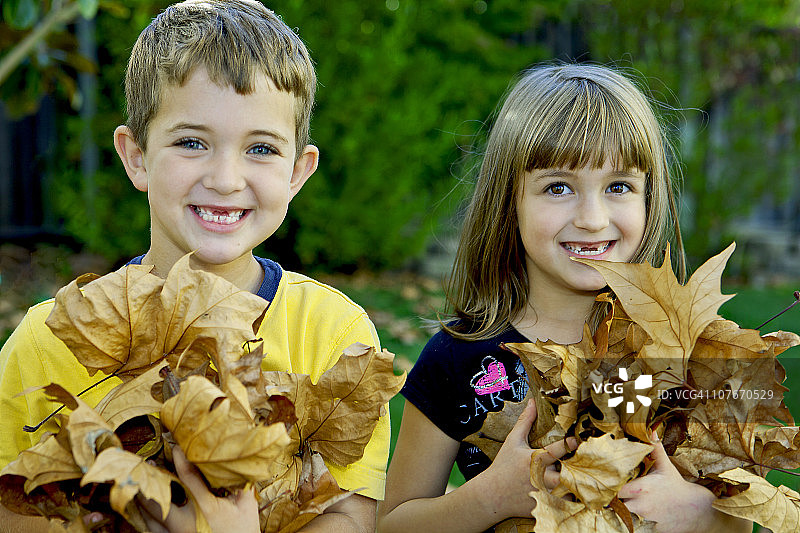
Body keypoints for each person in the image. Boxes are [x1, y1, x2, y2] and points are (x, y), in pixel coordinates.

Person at [0, 1, 386, 532]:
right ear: (136, 156)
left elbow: (351, 515)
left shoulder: (334, 336)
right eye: (191, 142)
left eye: (261, 149)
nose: (226, 178)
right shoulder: (50, 342)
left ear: (299, 171)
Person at [376, 63, 752, 533]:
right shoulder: (459, 357)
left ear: (649, 199)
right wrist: (489, 499)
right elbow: (393, 524)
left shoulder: (684, 352)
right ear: (508, 201)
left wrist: (701, 516)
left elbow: (739, 520)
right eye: (558, 187)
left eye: (619, 186)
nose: (593, 219)